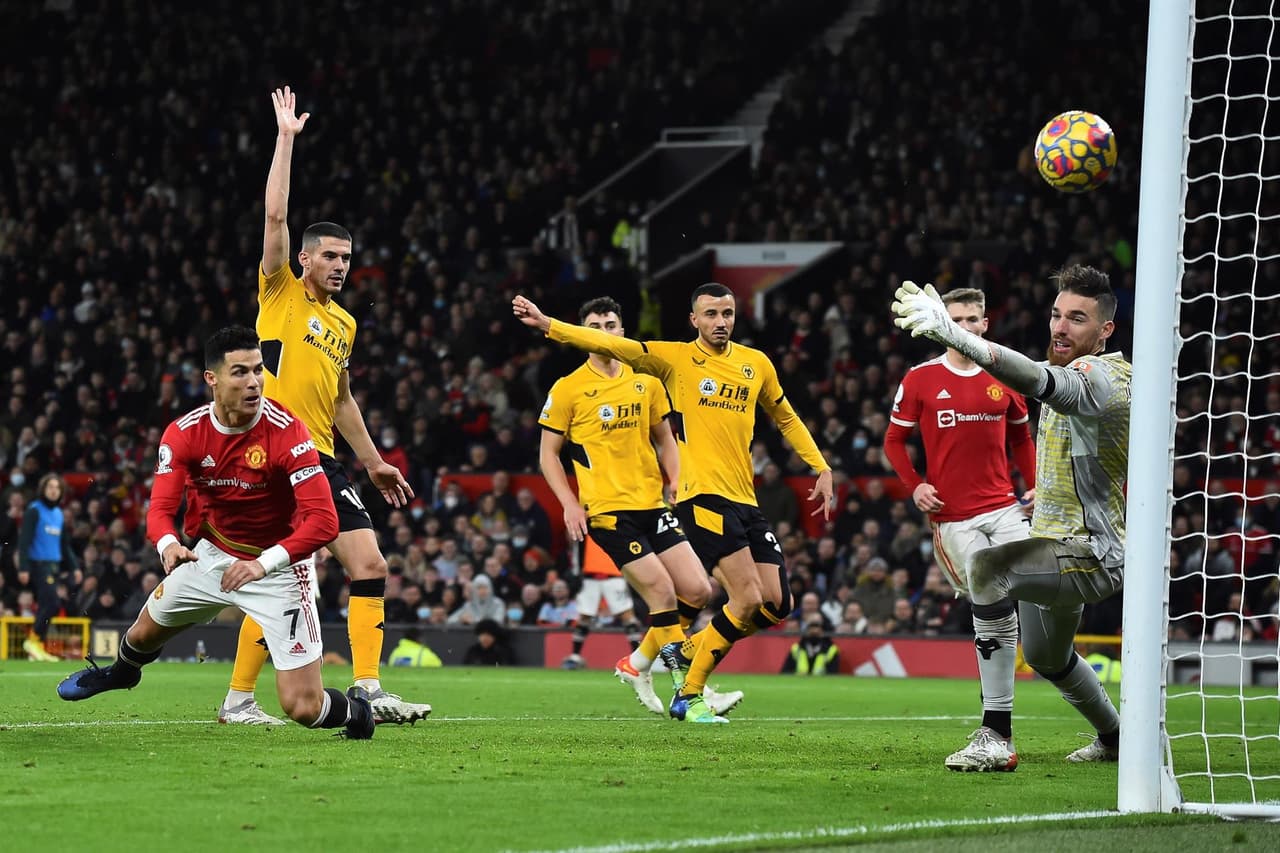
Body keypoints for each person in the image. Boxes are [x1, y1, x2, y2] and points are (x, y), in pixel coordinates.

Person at [514, 283, 833, 723]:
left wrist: (820, 465)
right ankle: (690, 691)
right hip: (655, 502)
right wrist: (550, 326)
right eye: (711, 314)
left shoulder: (747, 365)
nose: (721, 321)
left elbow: (779, 416)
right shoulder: (653, 365)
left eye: (727, 313)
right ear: (694, 320)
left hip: (710, 498)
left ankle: (645, 659)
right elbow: (554, 442)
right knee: (715, 596)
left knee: (758, 602)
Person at [219, 87, 429, 726]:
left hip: (325, 459)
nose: (340, 266)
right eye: (330, 256)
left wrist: (374, 462)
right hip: (275, 454)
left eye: (346, 258)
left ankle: (366, 688)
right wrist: (285, 139)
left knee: (369, 564)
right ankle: (238, 698)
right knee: (293, 579)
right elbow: (275, 219)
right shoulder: (280, 294)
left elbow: (341, 399)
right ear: (306, 259)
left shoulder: (342, 323)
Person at [55, 326, 374, 739]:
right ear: (212, 379)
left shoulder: (288, 432)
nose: (254, 382)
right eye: (239, 372)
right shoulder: (185, 433)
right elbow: (162, 508)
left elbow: (324, 521)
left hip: (278, 569)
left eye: (258, 370)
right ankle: (122, 673)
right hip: (210, 557)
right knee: (141, 634)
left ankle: (359, 713)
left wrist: (263, 565)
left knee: (303, 707)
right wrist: (169, 545)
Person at [892, 264, 1130, 764]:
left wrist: (955, 335)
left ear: (1105, 330)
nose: (1060, 328)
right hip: (1053, 541)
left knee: (989, 568)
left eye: (1078, 319)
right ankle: (1115, 737)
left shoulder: (1103, 378)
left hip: (1090, 552)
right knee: (1047, 656)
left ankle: (995, 736)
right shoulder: (1075, 370)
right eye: (1056, 315)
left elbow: (1040, 380)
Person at [536, 297, 742, 716]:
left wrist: (675, 480)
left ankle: (638, 663)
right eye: (594, 325)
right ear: (583, 335)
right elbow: (547, 455)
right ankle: (690, 694)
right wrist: (570, 505)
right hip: (608, 511)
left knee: (699, 590)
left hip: (652, 504)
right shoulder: (568, 388)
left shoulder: (645, 382)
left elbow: (665, 438)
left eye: (611, 324)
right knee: (662, 591)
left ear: (622, 331)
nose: (604, 331)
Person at [882, 286, 1037, 772]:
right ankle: (998, 725)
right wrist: (915, 486)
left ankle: (1016, 719)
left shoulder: (1004, 372)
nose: (965, 328)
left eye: (973, 320)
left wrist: (1034, 486)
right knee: (989, 601)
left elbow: (1021, 437)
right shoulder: (921, 379)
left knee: (1042, 592)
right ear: (940, 323)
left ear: (985, 324)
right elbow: (893, 440)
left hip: (1006, 509)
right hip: (953, 517)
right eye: (956, 319)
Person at [16, 473, 80, 661]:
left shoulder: (58, 514)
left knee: (47, 604)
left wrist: (75, 567)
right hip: (38, 565)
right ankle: (33, 639)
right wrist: (23, 567)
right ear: (43, 489)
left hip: (54, 566)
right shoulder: (34, 510)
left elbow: (64, 544)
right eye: (50, 487)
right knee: (52, 603)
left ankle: (36, 648)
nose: (53, 490)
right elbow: (24, 541)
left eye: (57, 487)